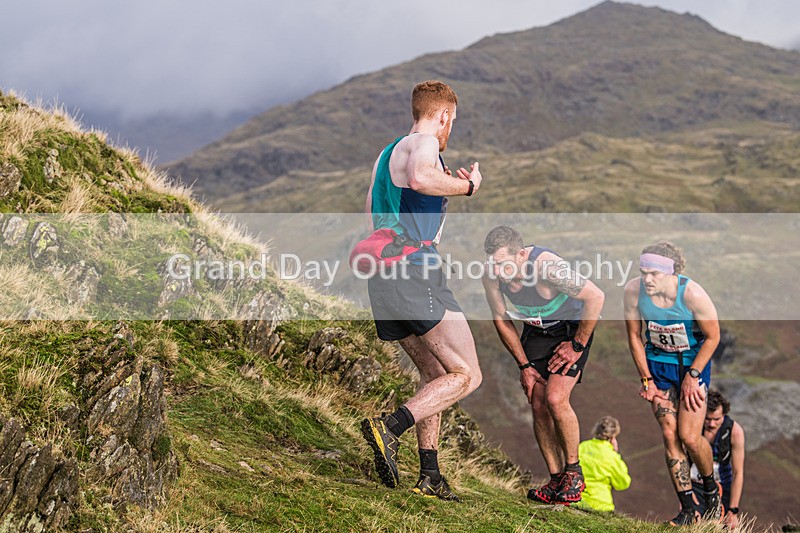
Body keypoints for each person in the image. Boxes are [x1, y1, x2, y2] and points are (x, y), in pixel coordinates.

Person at [360, 80, 484, 502]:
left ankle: (430, 474)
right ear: (444, 115)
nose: (451, 130)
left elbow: (372, 211)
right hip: (415, 269)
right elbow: (420, 177)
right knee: (467, 374)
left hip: (382, 271)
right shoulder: (426, 144)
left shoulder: (385, 153)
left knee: (434, 372)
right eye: (453, 122)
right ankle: (388, 427)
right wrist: (467, 187)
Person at [482, 225, 605, 504]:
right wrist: (524, 366)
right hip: (536, 332)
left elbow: (596, 297)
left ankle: (574, 472)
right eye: (492, 264)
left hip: (570, 330)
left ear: (521, 254)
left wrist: (576, 346)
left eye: (503, 264)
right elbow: (501, 319)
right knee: (537, 402)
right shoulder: (491, 275)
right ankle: (556, 479)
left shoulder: (547, 268)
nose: (497, 270)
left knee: (555, 397)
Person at [623, 241, 722, 526]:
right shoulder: (633, 291)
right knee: (669, 434)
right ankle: (688, 508)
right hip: (659, 368)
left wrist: (693, 376)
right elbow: (633, 336)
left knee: (690, 437)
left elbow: (713, 337)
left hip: (693, 366)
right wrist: (647, 380)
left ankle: (709, 490)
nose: (647, 279)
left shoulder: (692, 294)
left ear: (672, 273)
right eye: (643, 272)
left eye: (654, 273)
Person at [691, 389, 745, 529]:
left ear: (724, 415)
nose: (712, 424)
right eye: (707, 419)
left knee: (722, 527)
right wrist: (684, 497)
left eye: (717, 419)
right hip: (695, 484)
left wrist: (733, 510)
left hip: (722, 486)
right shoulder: (692, 427)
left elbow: (738, 472)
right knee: (693, 524)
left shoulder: (735, 431)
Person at [578, 416, 631, 512]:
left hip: (577, 500)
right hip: (601, 505)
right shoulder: (612, 456)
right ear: (613, 437)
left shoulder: (581, 447)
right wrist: (614, 453)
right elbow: (623, 483)